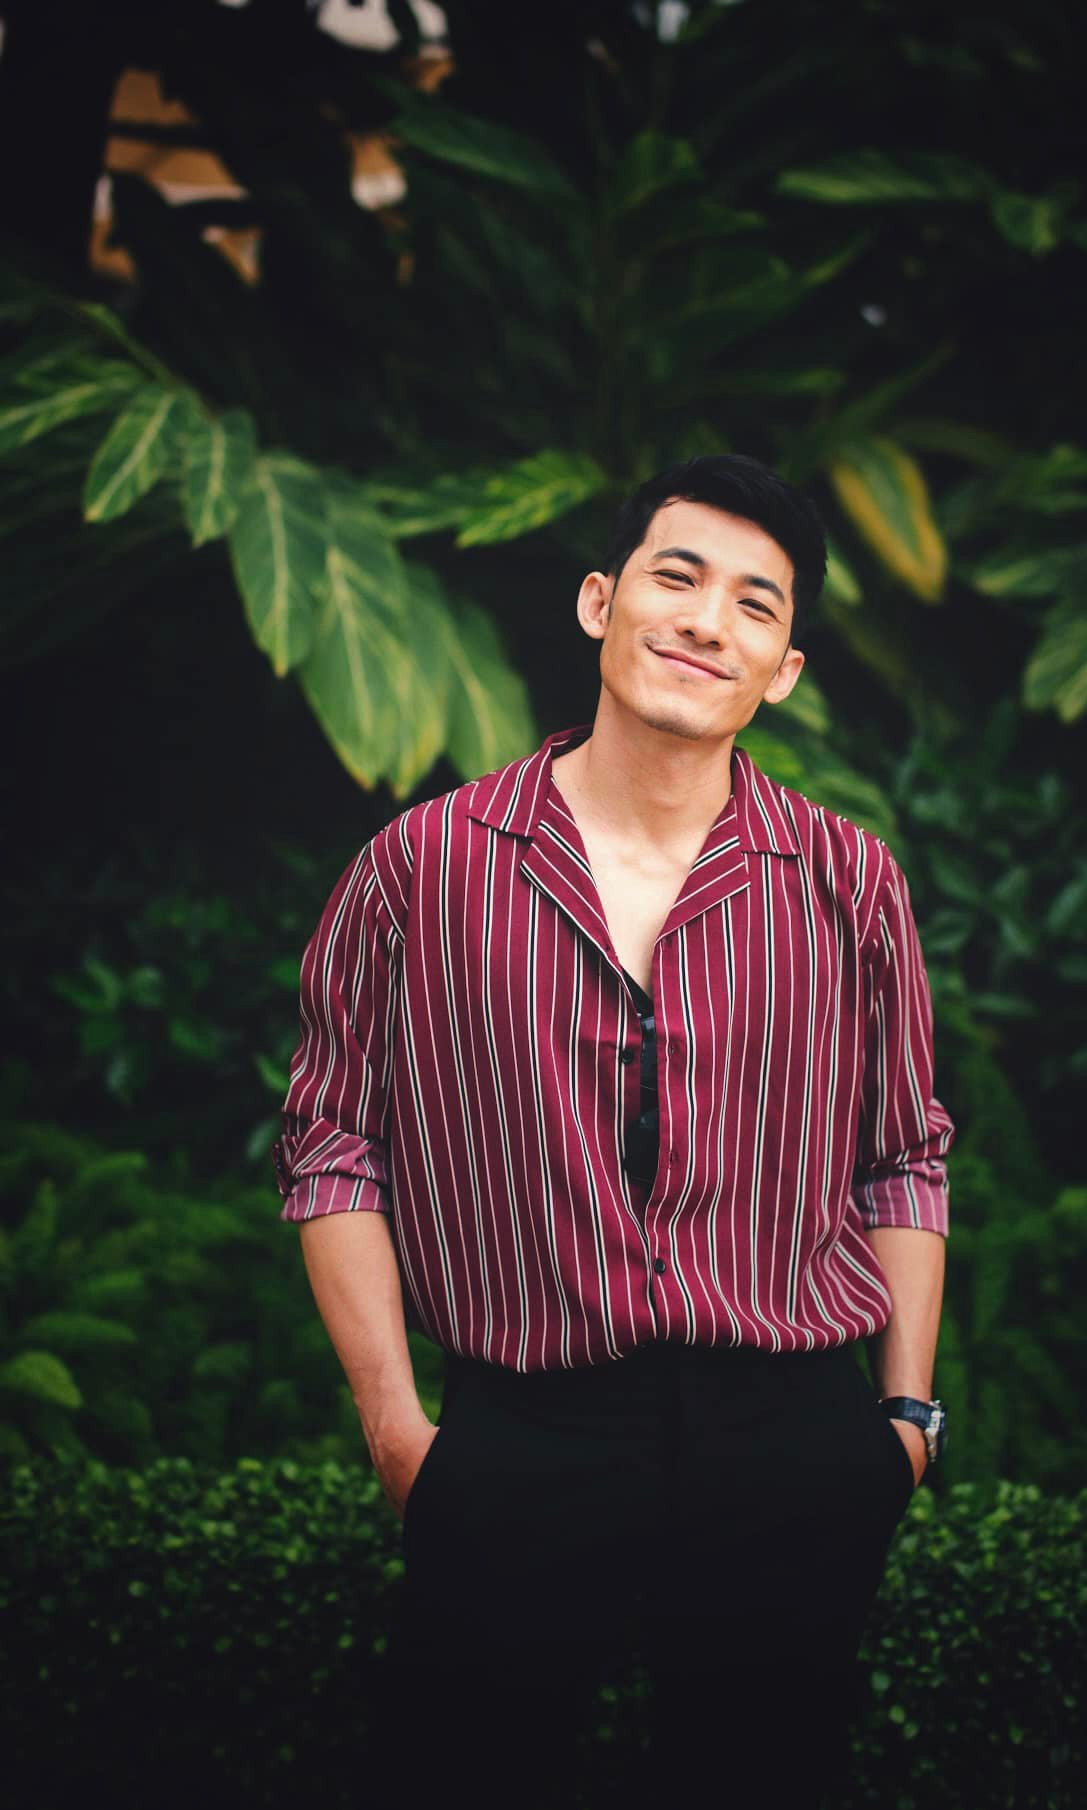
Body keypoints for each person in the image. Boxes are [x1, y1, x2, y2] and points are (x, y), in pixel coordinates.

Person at [271, 453, 954, 1810]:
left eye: (754, 604)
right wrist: (398, 1429)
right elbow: (335, 1140)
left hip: (792, 1429)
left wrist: (904, 1420)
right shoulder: (424, 867)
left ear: (785, 670)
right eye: (677, 577)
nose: (707, 622)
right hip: (526, 1426)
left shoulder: (847, 880)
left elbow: (903, 1153)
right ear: (600, 601)